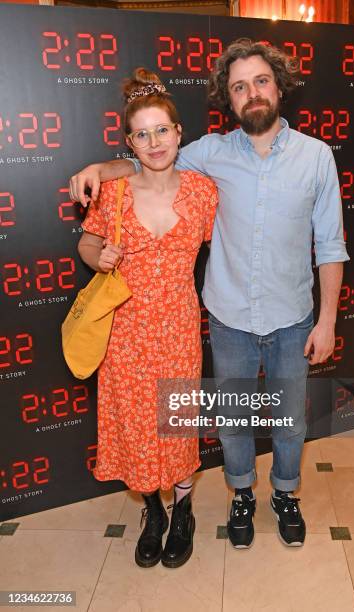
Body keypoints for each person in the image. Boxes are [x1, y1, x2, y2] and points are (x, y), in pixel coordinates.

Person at [70, 39, 349, 550]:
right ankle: (240, 494)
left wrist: (327, 320)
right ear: (229, 98)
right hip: (228, 319)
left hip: (291, 318)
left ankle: (285, 495)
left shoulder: (316, 157)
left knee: (289, 419)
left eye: (261, 81)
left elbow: (331, 244)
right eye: (239, 86)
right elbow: (150, 162)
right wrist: (98, 169)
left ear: (279, 85)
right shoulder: (209, 154)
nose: (252, 93)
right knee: (236, 422)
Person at [76, 67, 218, 568]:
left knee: (177, 423)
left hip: (179, 328)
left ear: (180, 134)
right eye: (143, 133)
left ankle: (183, 510)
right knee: (134, 425)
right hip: (125, 333)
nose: (154, 142)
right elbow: (87, 243)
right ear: (129, 142)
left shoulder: (204, 192)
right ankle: (153, 513)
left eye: (163, 130)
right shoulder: (113, 193)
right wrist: (100, 258)